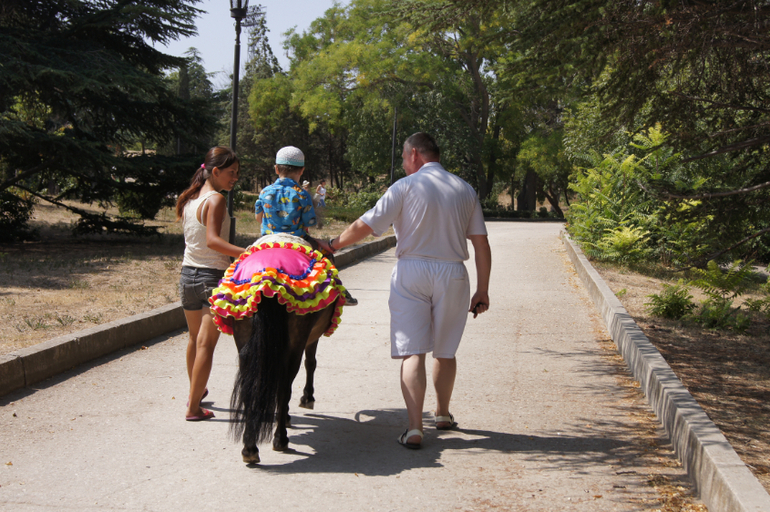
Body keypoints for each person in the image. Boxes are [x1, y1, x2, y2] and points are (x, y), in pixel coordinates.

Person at [318, 132, 491, 449]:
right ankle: (442, 413)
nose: (403, 164)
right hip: (453, 273)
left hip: (411, 271)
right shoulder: (465, 189)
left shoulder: (404, 187)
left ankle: (414, 428)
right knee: (445, 351)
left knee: (413, 351)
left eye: (403, 158)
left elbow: (366, 224)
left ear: (414, 154)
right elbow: (481, 243)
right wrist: (483, 289)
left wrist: (332, 245)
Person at [176, 146, 246, 421]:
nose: (235, 178)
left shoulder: (191, 198)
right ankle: (194, 408)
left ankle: (196, 391)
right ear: (215, 171)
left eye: (237, 173)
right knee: (206, 344)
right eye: (231, 172)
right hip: (211, 278)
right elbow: (213, 241)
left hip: (187, 277)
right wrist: (248, 253)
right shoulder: (216, 200)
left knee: (195, 340)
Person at [255, 146, 357, 305]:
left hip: (268, 240)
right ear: (301, 170)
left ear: (276, 169)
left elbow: (258, 218)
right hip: (298, 239)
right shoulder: (302, 194)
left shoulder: (264, 192)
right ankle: (340, 292)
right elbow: (310, 222)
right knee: (326, 254)